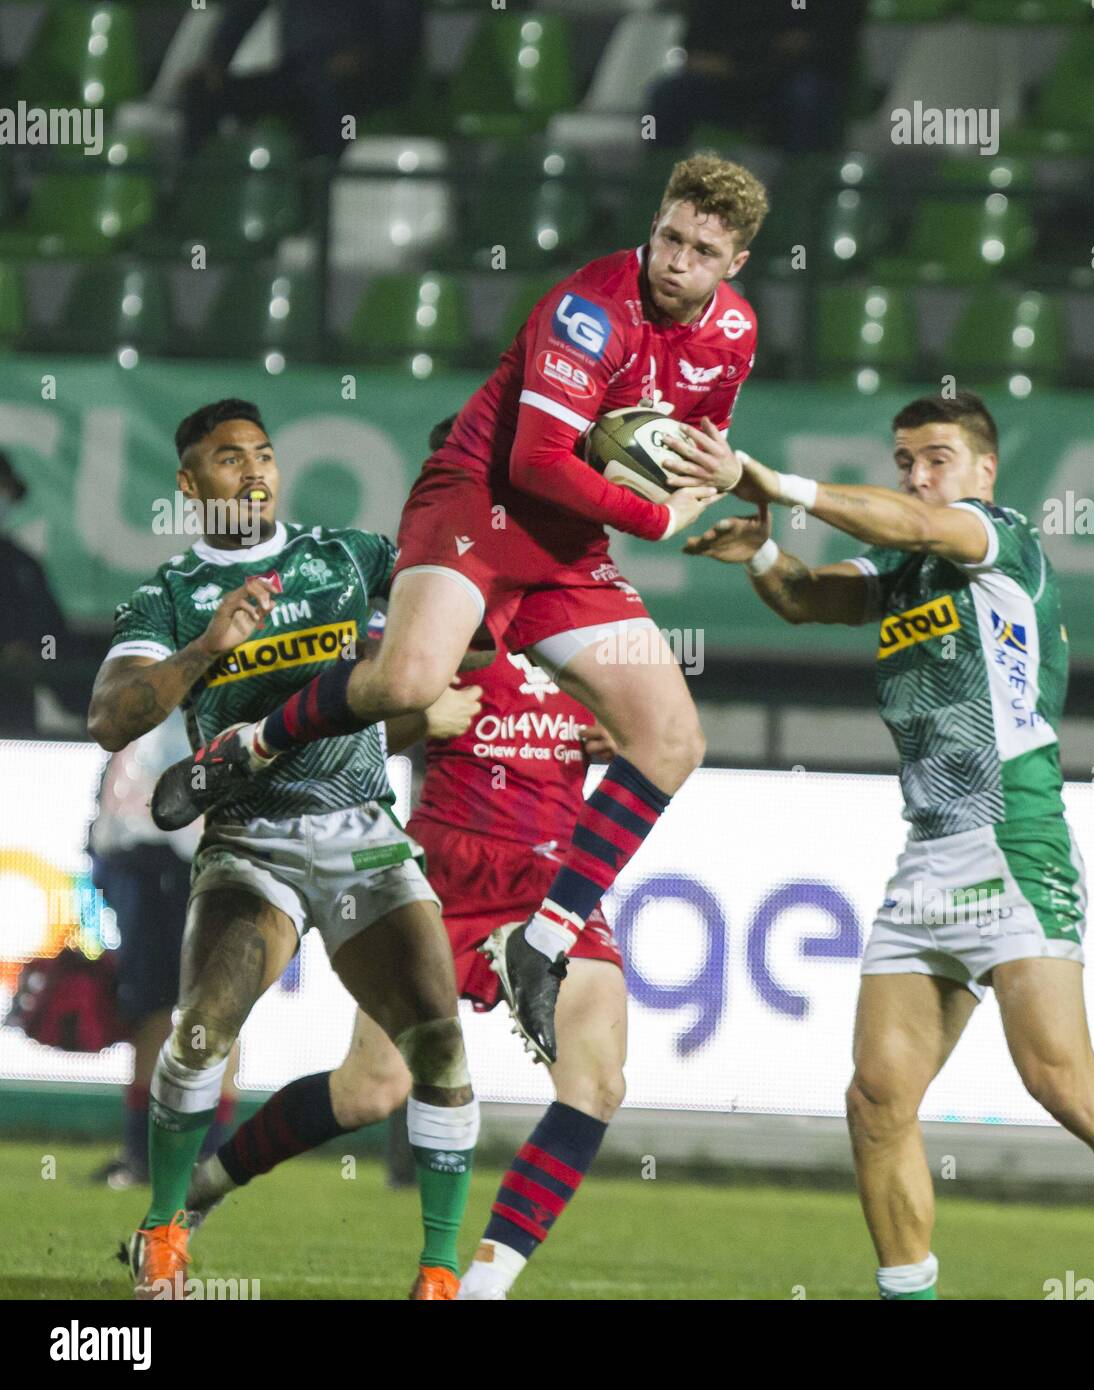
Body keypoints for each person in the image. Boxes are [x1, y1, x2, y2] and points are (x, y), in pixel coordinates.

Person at [148, 155, 767, 1070]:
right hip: (478, 503)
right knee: (408, 679)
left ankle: (543, 942)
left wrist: (717, 481)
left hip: (569, 551)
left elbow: (694, 452)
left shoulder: (735, 335)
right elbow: (539, 462)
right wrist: (659, 515)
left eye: (702, 249)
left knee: (672, 741)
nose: (675, 260)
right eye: (669, 235)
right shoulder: (590, 307)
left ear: (736, 262)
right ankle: (245, 749)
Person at [682, 390, 1094, 1302]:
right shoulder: (906, 566)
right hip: (927, 854)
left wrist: (778, 483)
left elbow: (921, 524)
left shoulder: (998, 540)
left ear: (985, 471)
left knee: (1064, 1085)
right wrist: (761, 549)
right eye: (905, 461)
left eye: (937, 457)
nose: (918, 475)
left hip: (1013, 839)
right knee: (877, 1099)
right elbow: (808, 599)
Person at [86, 399, 480, 1301]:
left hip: (362, 835)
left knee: (440, 1048)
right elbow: (111, 717)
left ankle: (439, 1273)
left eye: (264, 454)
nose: (255, 471)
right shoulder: (171, 595)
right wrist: (205, 647)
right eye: (229, 460)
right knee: (200, 1034)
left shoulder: (346, 556)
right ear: (190, 484)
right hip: (246, 842)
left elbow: (465, 611)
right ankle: (164, 1236)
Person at [186, 644, 629, 1301]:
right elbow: (339, 731)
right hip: (444, 867)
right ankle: (199, 1191)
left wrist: (622, 737)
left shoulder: (592, 634)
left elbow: (664, 736)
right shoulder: (449, 617)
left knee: (596, 1083)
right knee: (369, 1090)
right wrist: (417, 719)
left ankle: (481, 1285)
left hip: (551, 881)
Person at [87, 710, 237, 1188]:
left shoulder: (237, 667)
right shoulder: (149, 661)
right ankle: (141, 1153)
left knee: (217, 1011)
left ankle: (205, 1156)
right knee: (152, 1008)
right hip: (144, 850)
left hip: (211, 850)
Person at [181, 0, 423, 161]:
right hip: (299, 75)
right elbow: (247, 8)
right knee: (201, 91)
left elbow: (403, 30)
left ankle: (323, 203)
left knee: (329, 95)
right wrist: (217, 60)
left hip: (365, 80)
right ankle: (194, 193)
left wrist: (365, 56)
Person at [647, 0, 863, 155]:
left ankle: (802, 195)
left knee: (807, 99)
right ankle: (658, 192)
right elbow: (697, 44)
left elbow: (828, 41)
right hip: (730, 79)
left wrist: (744, 59)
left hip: (793, 78)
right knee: (667, 94)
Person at [0, 452, 72, 736]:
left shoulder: (22, 568)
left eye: (3, 489)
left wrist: (32, 655)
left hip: (12, 728)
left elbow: (53, 636)